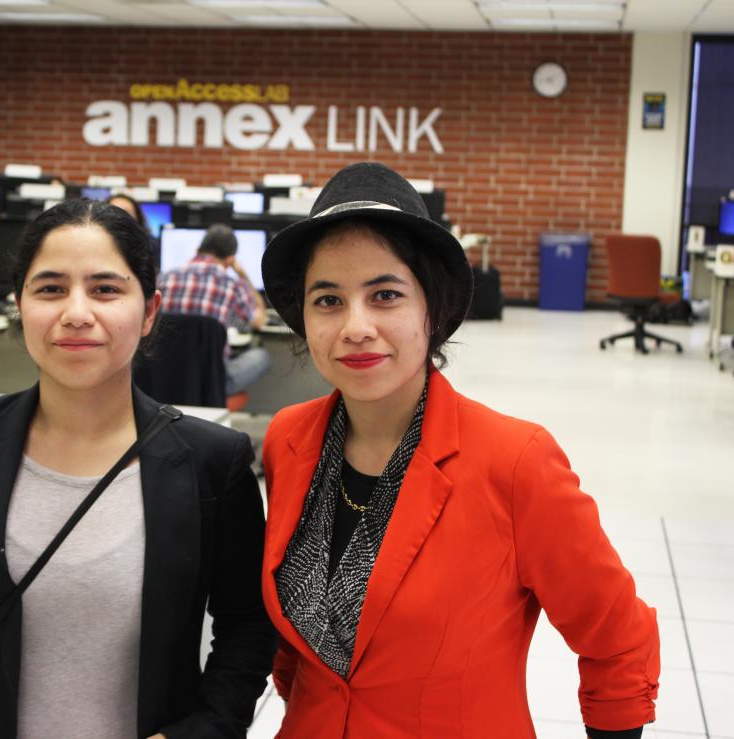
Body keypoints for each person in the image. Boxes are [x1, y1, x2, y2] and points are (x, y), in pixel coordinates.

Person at [258, 162, 659, 738]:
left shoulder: (514, 460)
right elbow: (299, 646)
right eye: (328, 300)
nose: (356, 326)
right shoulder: (289, 440)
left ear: (433, 309)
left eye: (386, 295)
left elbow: (620, 641)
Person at [0, 198, 276, 739]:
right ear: (20, 304)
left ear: (151, 310)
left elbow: (247, 629)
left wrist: (200, 732)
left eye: (105, 289)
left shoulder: (213, 460)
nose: (76, 312)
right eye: (50, 288)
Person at [158, 224, 271, 396]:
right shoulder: (232, 284)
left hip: (161, 377)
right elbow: (259, 322)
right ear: (230, 260)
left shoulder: (164, 278)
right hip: (210, 382)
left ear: (198, 249)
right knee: (261, 357)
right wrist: (243, 275)